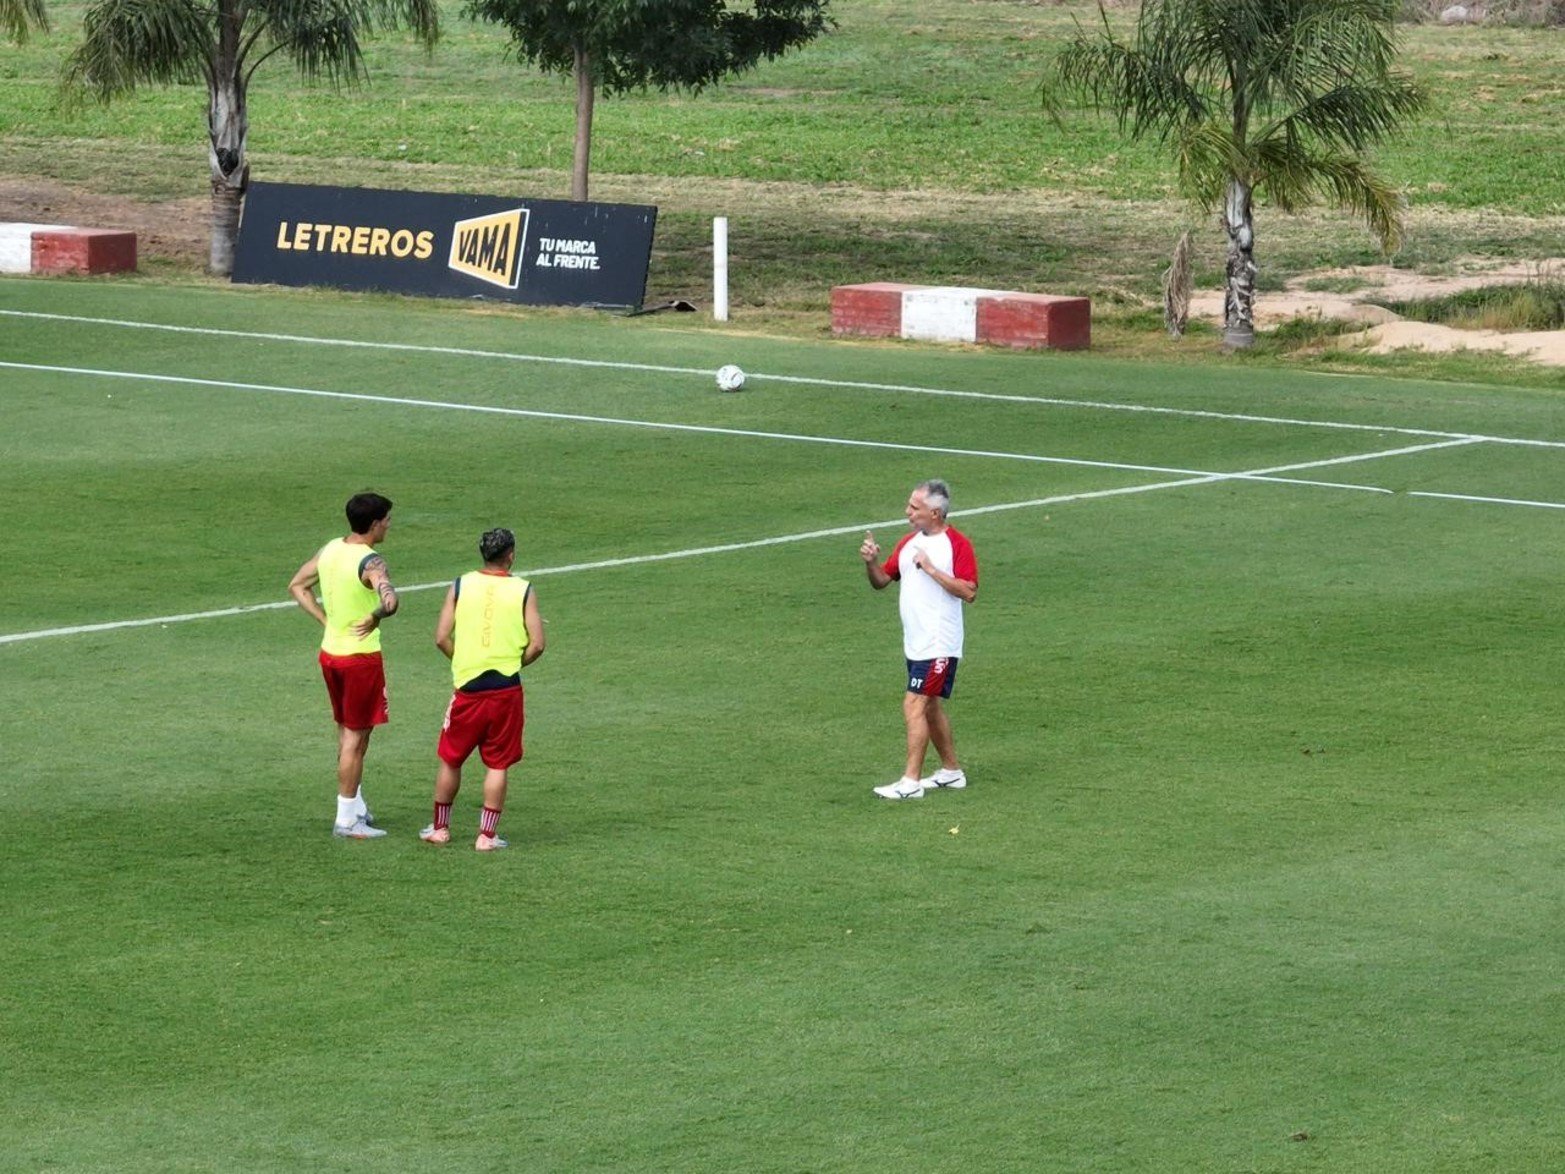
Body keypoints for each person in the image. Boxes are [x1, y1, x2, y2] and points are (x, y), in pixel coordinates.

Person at [420, 527, 546, 851]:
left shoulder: (460, 585)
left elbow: (441, 637)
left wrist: (463, 661)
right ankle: (486, 836)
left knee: (451, 759)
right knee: (498, 763)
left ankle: (440, 829)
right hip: (506, 689)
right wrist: (514, 663)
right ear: (511, 555)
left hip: (468, 688)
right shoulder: (523, 589)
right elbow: (537, 644)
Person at [288, 491, 400, 838]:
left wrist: (326, 620)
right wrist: (376, 614)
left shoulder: (331, 549)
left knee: (348, 732)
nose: (389, 525)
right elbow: (390, 601)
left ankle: (357, 806)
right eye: (387, 520)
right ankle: (346, 819)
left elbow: (297, 585)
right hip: (359, 659)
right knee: (355, 736)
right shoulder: (371, 561)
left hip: (331, 654)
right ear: (375, 524)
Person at [859, 479, 979, 800]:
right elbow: (882, 581)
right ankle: (951, 772)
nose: (907, 511)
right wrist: (871, 563)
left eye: (915, 507)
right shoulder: (907, 543)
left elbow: (969, 591)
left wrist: (930, 569)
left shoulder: (957, 545)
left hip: (939, 645)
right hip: (915, 643)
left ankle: (910, 783)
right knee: (930, 707)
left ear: (935, 513)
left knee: (914, 703)